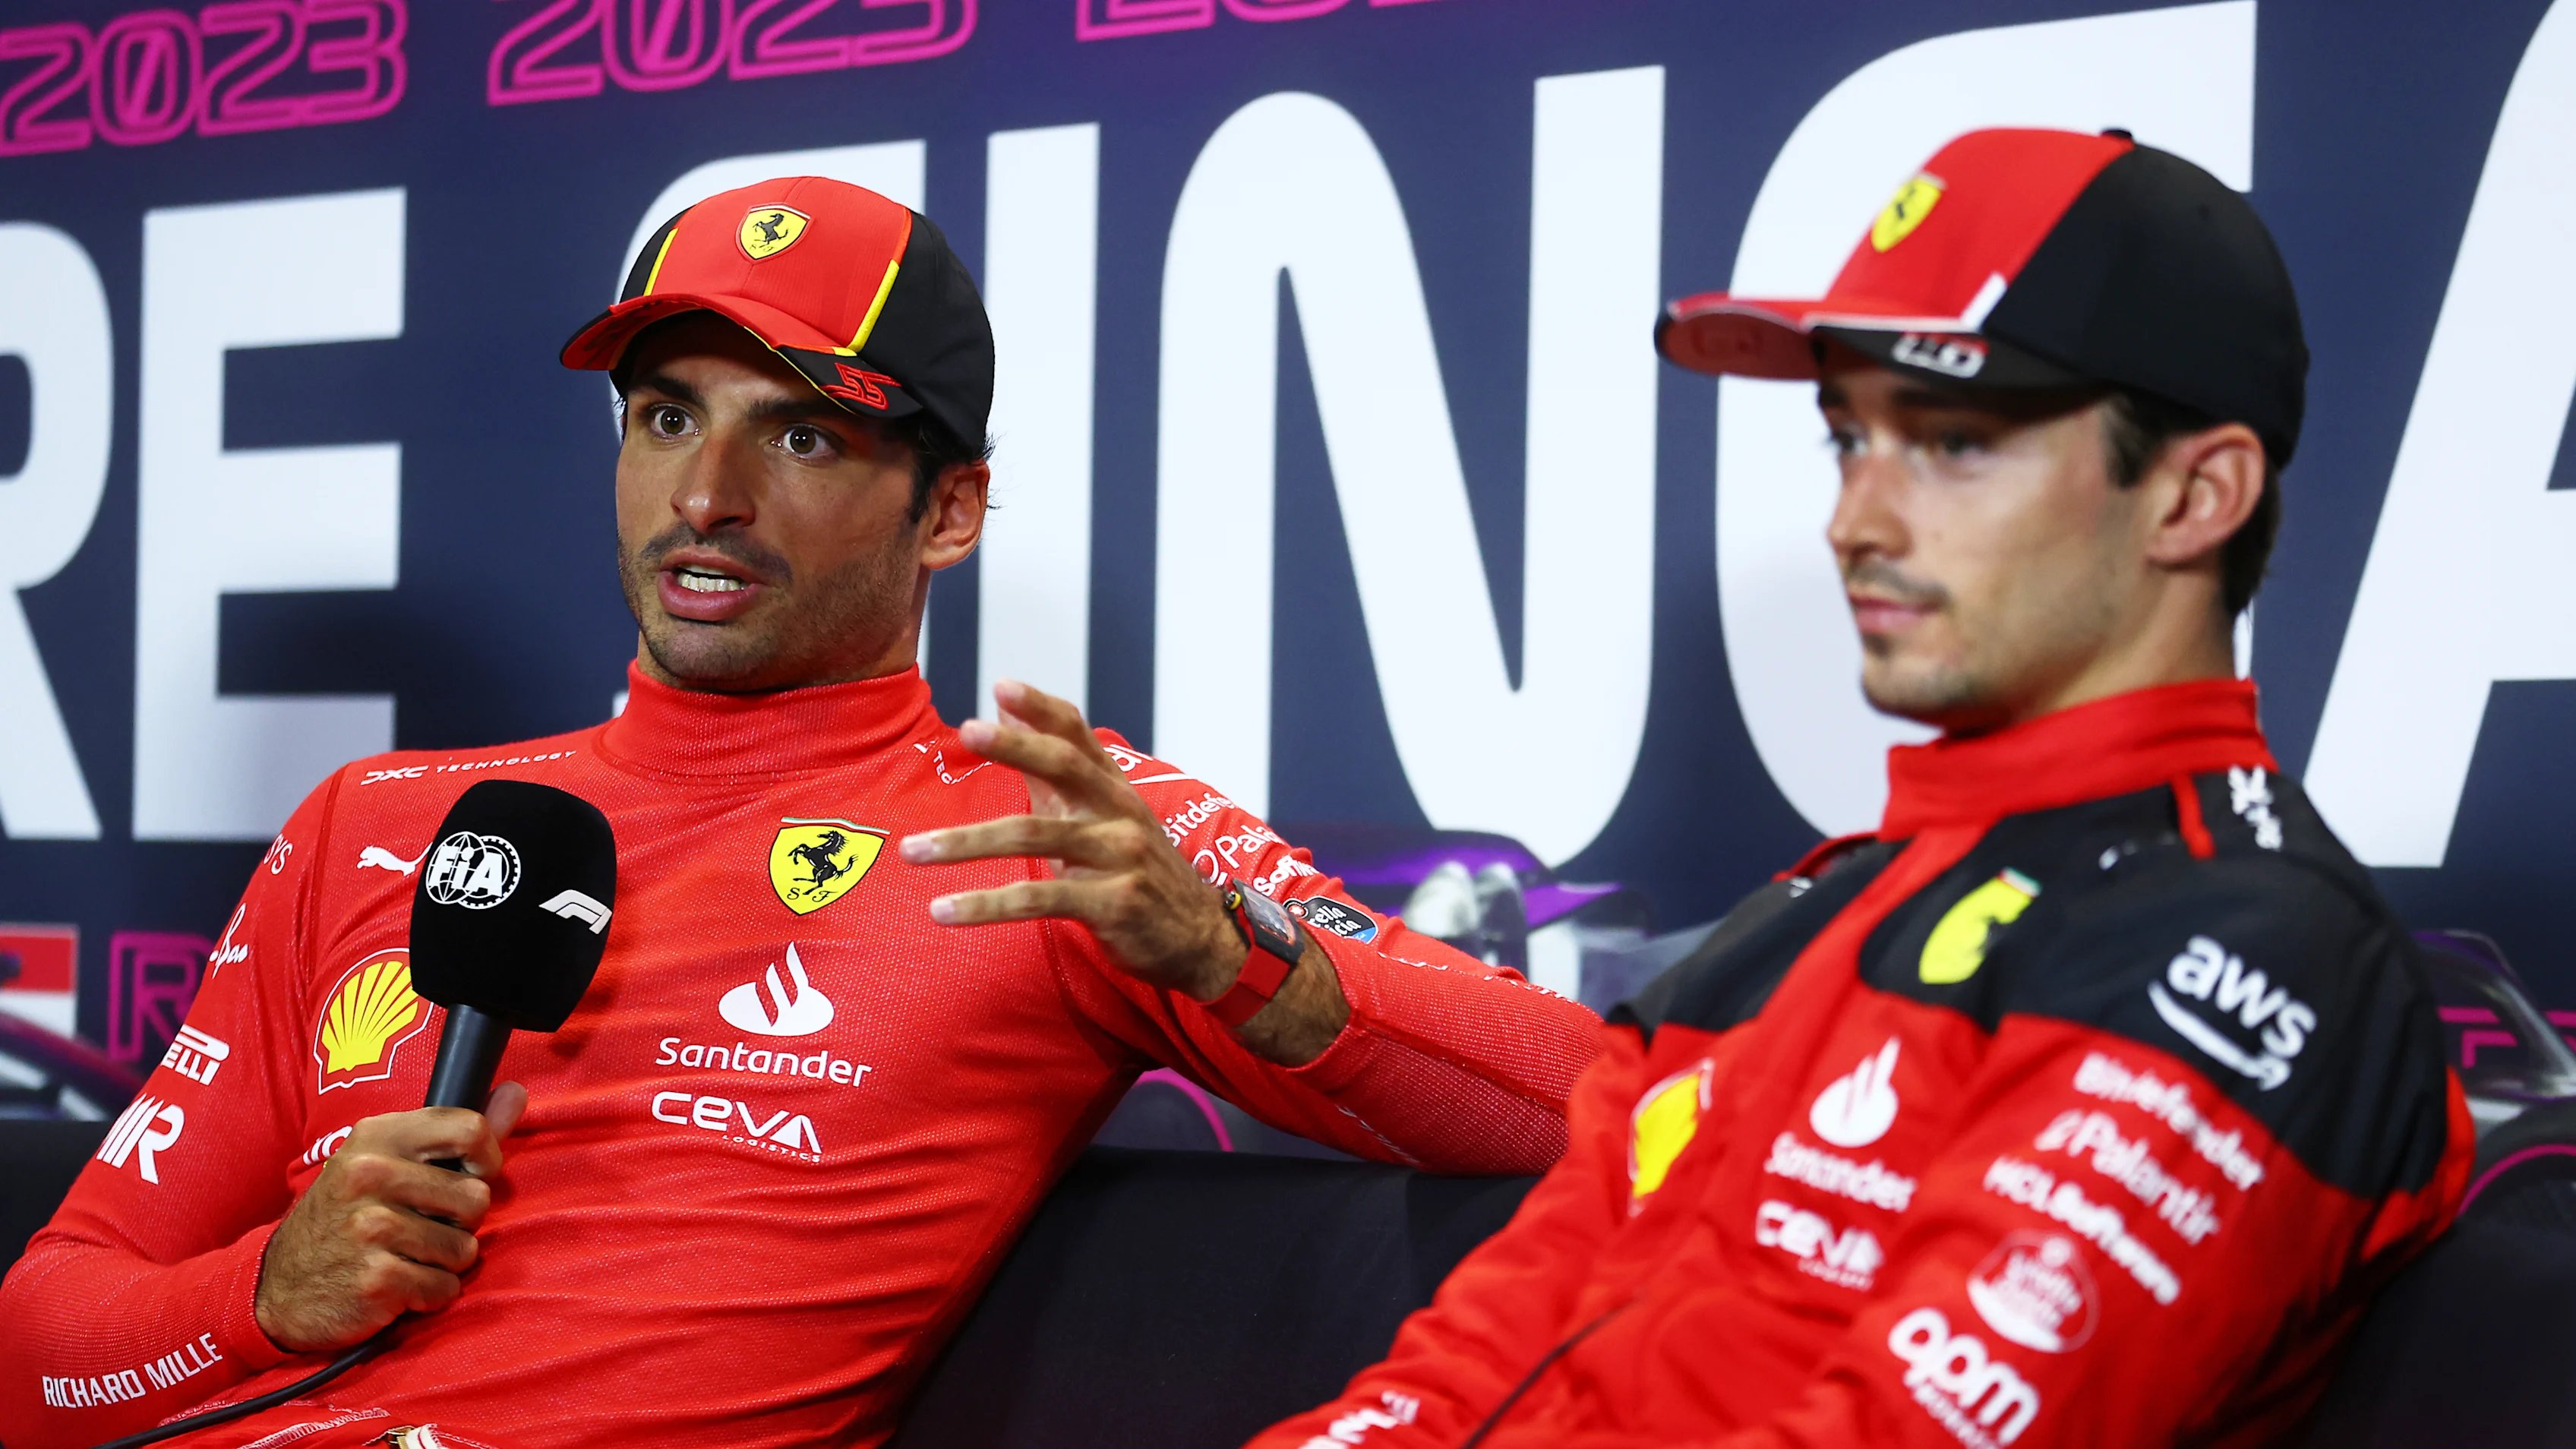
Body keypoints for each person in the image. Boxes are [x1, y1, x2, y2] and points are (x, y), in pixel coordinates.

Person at [0, 176, 1603, 1449]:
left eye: (805, 432)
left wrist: (1231, 953)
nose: (707, 497)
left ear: (951, 510)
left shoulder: (1041, 830)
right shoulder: (376, 820)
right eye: (668, 416)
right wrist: (263, 1300)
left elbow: (1599, 1104)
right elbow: (33, 1354)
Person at [1252, 128, 2473, 1449]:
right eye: (1849, 441)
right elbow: (1476, 1359)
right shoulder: (1804, 917)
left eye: (1951, 442)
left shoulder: (2255, 947)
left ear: (2196, 496)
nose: (1858, 521)